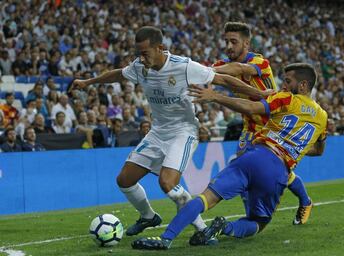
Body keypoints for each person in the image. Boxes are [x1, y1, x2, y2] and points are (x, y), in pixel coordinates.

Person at [72, 26, 269, 238]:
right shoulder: (140, 66)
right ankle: (148, 216)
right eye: (138, 53)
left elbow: (224, 79)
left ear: (160, 48)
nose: (141, 58)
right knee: (124, 180)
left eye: (145, 53)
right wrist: (88, 82)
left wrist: (261, 94)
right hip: (157, 132)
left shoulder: (184, 66)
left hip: (184, 131)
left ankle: (203, 230)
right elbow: (118, 74)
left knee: (167, 182)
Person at [131, 63, 327, 250]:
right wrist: (293, 148)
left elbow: (251, 108)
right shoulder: (323, 117)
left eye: (288, 81)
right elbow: (318, 151)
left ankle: (165, 239)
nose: (284, 85)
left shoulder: (288, 99)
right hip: (278, 169)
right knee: (258, 222)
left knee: (205, 199)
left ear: (303, 85)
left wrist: (216, 96)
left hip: (253, 156)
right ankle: (225, 227)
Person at [213, 21, 314, 225]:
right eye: (226, 42)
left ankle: (305, 201)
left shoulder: (260, 63)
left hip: (273, 126)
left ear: (247, 43)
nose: (229, 46)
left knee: (282, 172)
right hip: (249, 126)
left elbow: (238, 69)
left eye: (234, 41)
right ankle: (252, 214)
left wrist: (207, 70)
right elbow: (213, 74)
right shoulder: (223, 65)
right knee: (243, 165)